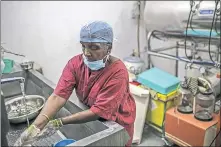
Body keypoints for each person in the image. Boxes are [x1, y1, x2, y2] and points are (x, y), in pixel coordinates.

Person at [14, 21, 136, 147]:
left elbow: (98, 111)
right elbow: (58, 96)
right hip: (91, 114)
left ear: (109, 48)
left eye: (94, 47)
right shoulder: (75, 64)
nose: (87, 53)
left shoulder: (118, 72)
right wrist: (36, 127)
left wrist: (60, 122)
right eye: (84, 46)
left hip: (117, 123)